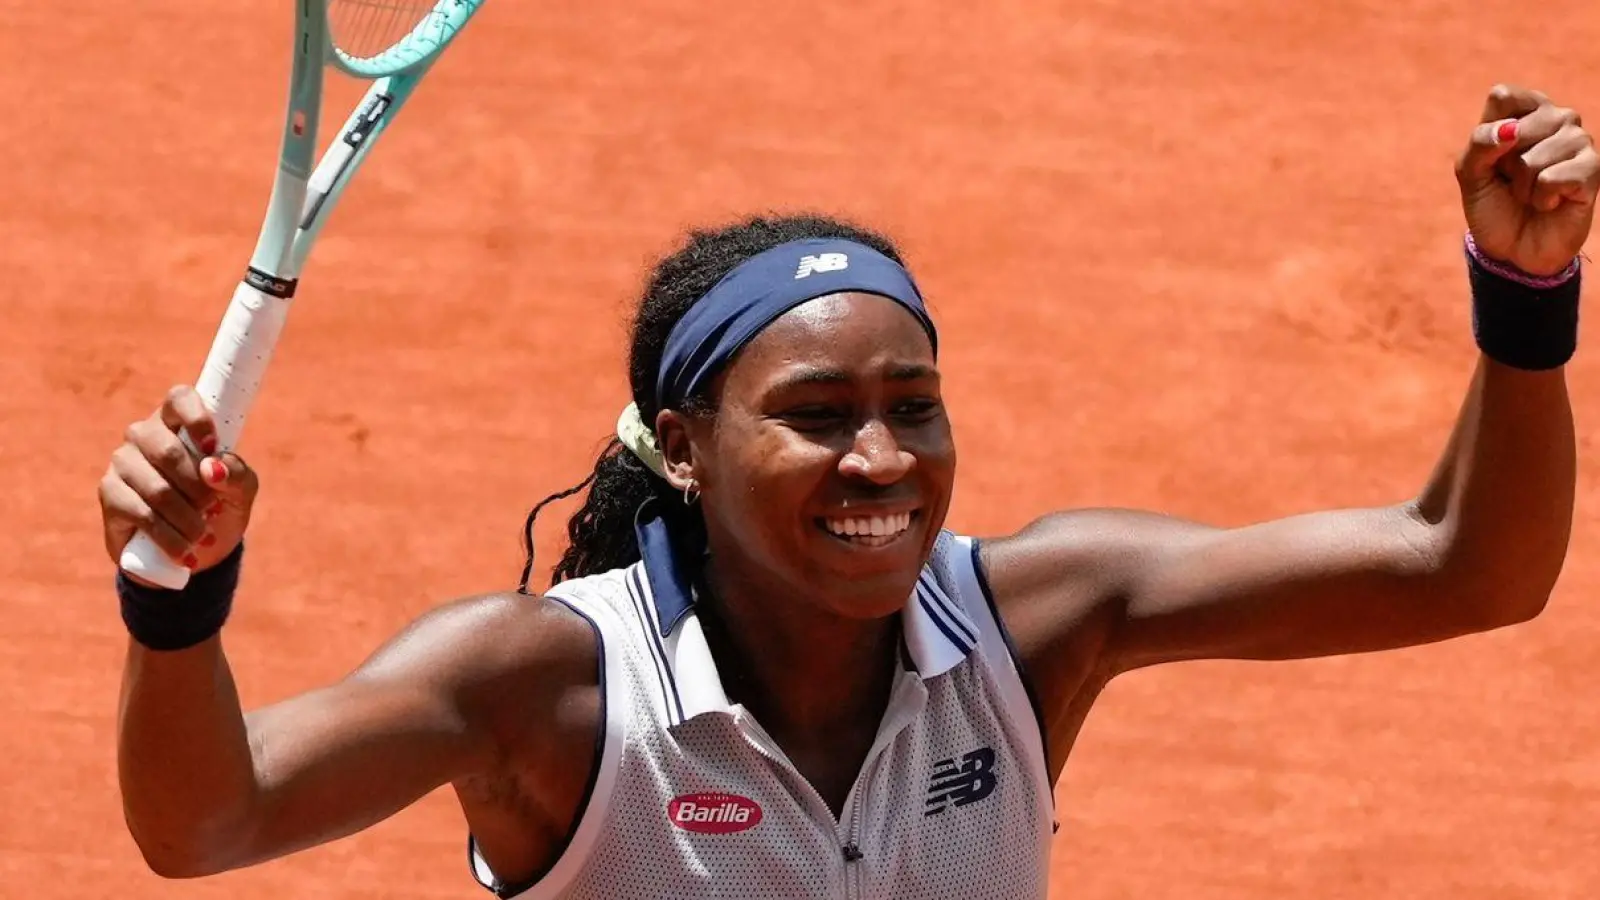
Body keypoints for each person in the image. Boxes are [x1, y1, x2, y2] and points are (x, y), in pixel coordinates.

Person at [100, 83, 1595, 900]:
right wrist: (179, 608)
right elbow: (209, 825)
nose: (881, 461)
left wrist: (1524, 302)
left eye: (913, 407)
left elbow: (1466, 568)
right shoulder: (544, 686)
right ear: (682, 445)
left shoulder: (1041, 616)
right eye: (815, 417)